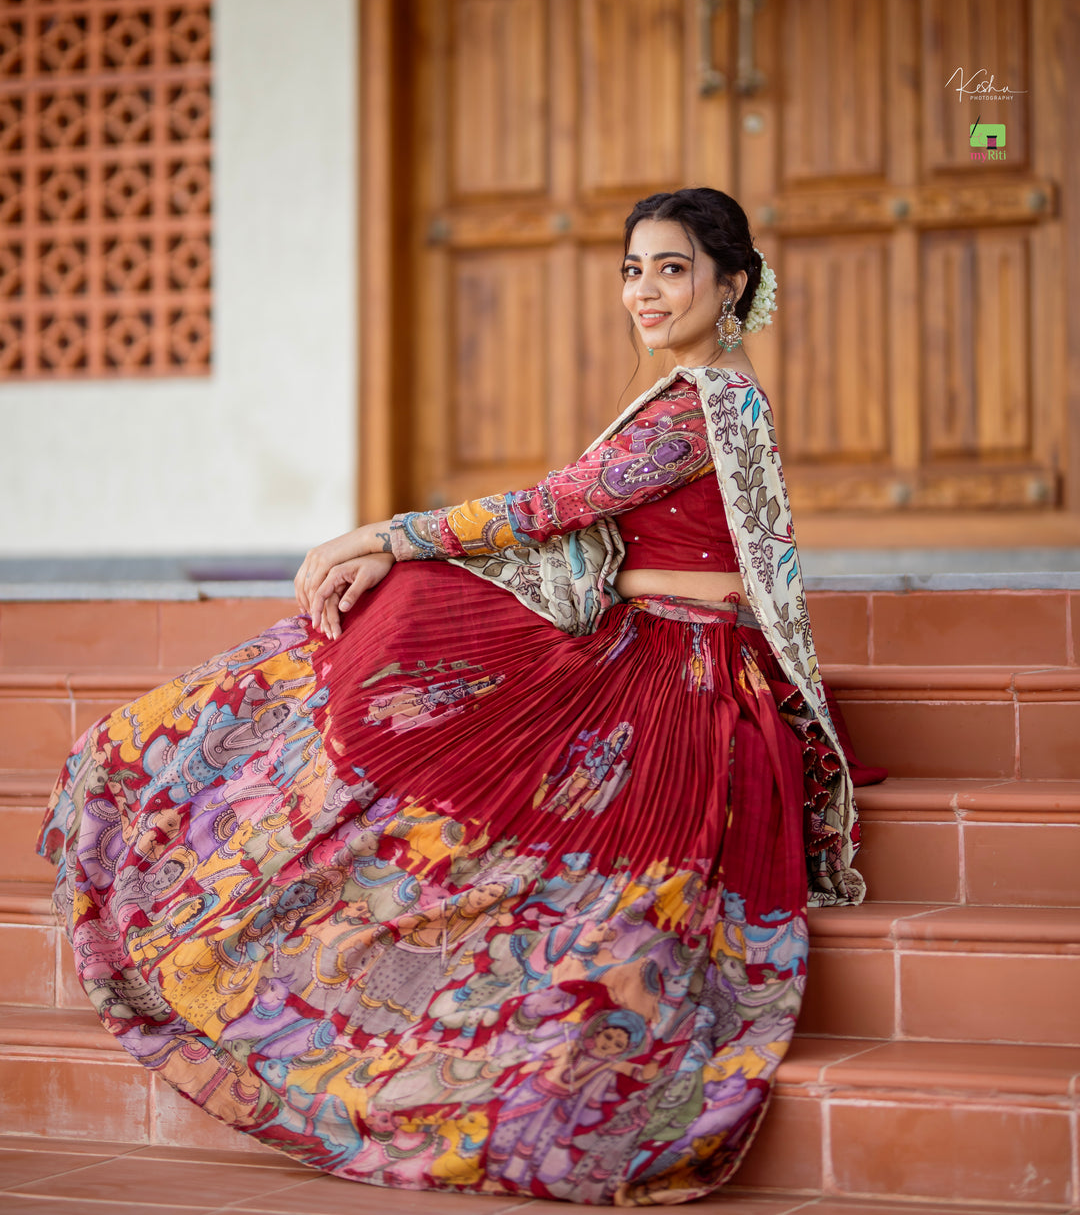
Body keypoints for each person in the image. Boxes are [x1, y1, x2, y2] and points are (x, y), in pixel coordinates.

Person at [38, 187, 883, 1207]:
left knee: (418, 623)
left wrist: (378, 535)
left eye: (672, 269)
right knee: (402, 623)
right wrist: (390, 555)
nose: (646, 292)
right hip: (650, 642)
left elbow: (554, 507)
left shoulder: (706, 400)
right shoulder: (695, 392)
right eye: (633, 270)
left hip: (683, 673)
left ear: (732, 282)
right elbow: (574, 523)